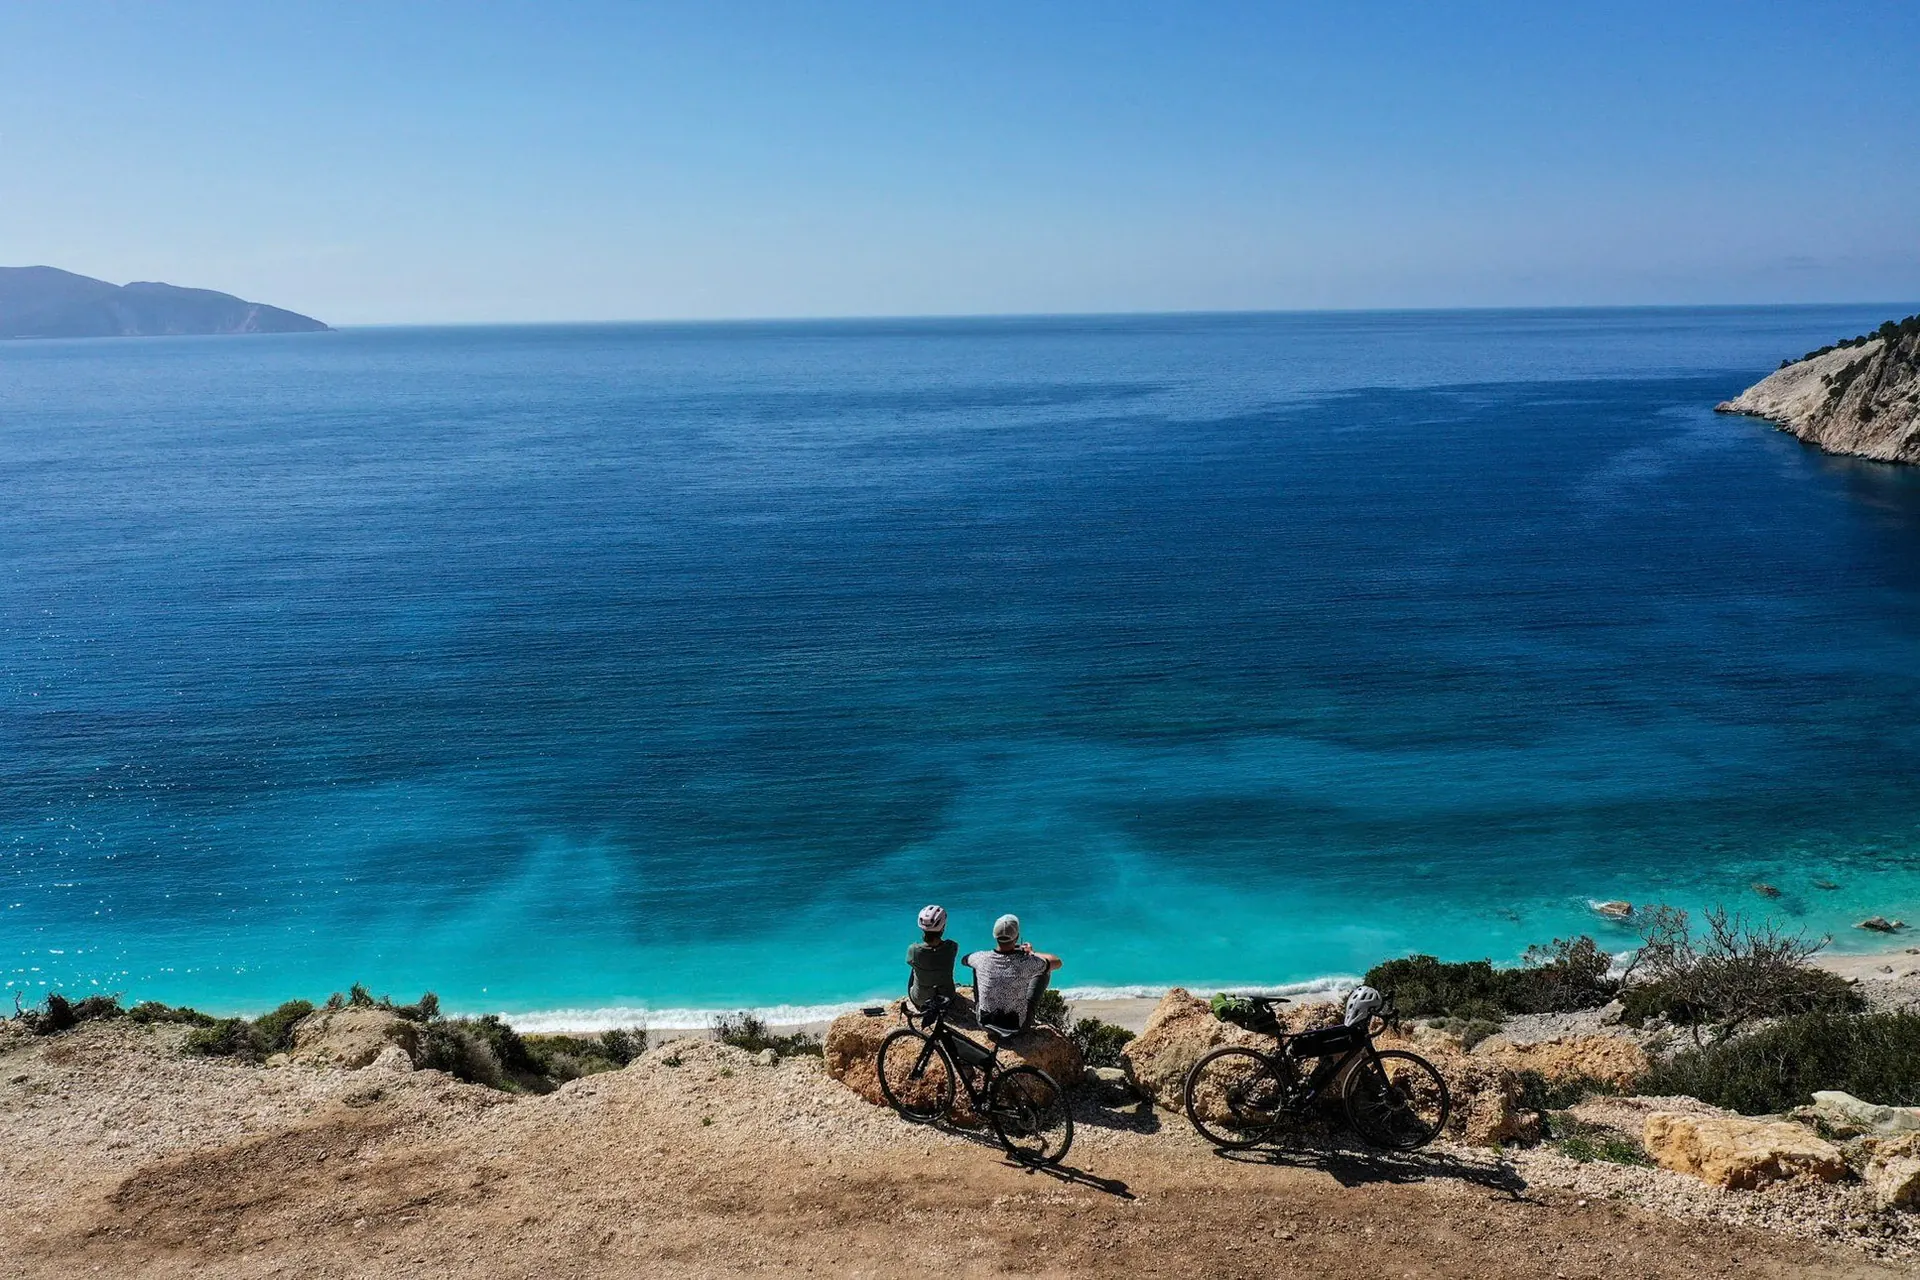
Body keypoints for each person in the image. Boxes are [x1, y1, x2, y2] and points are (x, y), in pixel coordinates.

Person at [963, 913, 1062, 1032]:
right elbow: (1057, 962)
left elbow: (964, 960)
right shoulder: (1027, 963)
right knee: (1044, 969)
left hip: (985, 1024)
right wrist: (1032, 953)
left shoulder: (981, 958)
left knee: (976, 967)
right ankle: (1029, 1015)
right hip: (1016, 1028)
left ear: (994, 936)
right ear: (1017, 937)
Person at [905, 904, 958, 1008]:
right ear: (943, 927)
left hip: (921, 1000)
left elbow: (909, 962)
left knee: (914, 967)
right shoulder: (952, 946)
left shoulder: (913, 949)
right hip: (947, 998)